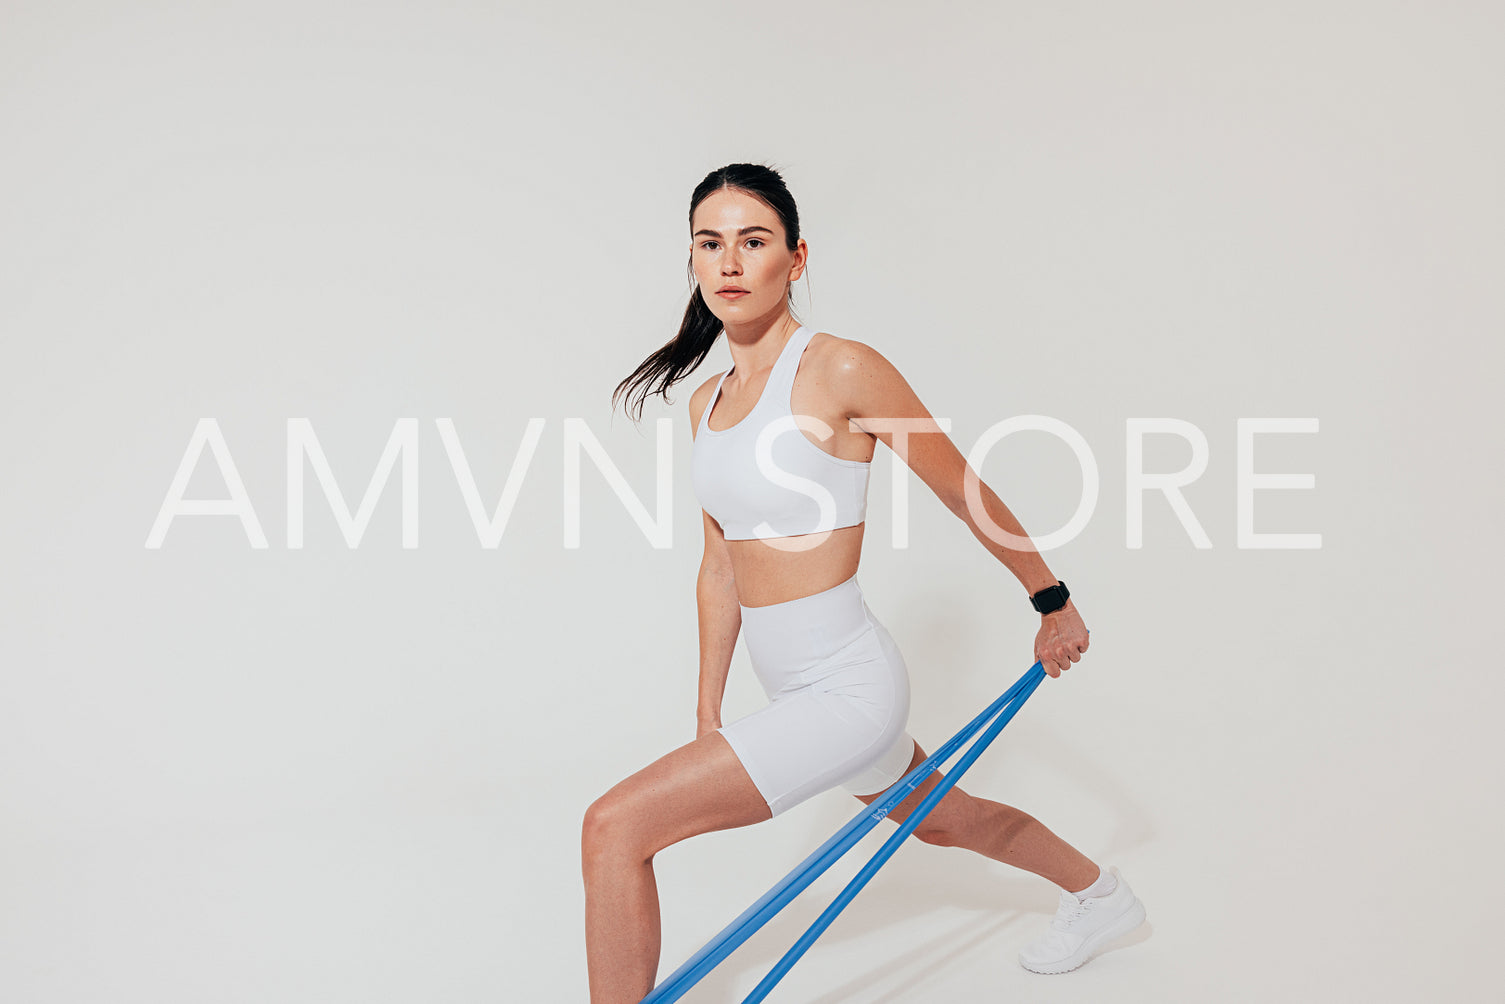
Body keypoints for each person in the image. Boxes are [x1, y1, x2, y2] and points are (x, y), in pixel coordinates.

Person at [584, 162, 1145, 1002]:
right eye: (710, 243)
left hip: (847, 688)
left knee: (613, 827)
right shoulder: (707, 404)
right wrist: (708, 712)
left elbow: (963, 491)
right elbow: (719, 566)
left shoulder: (840, 369)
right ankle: (1102, 896)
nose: (730, 262)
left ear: (795, 258)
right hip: (794, 689)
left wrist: (1050, 601)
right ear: (693, 263)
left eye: (754, 241)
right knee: (946, 820)